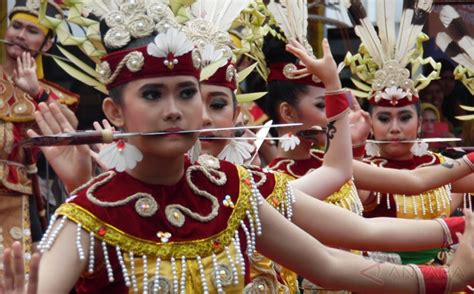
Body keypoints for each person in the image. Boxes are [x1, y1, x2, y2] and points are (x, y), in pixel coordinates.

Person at [0, 0, 78, 275]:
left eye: (32, 31)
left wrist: (36, 91)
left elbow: (68, 132)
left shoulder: (47, 94)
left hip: (13, 199)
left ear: (46, 45)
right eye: (16, 26)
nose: (20, 35)